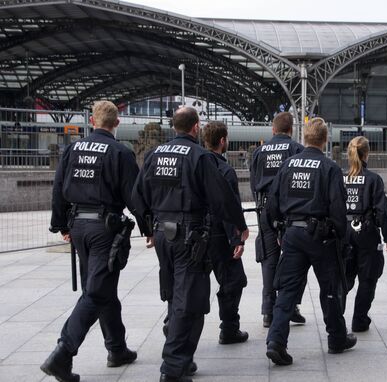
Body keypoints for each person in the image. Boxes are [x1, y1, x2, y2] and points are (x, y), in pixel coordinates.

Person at [132, 107, 249, 382]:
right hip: (190, 236)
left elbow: (138, 196)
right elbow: (222, 199)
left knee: (176, 295)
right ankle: (173, 367)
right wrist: (240, 227)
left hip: (163, 234)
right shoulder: (200, 157)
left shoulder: (154, 155)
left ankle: (181, 359)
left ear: (175, 127)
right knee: (191, 301)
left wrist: (148, 228)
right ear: (195, 127)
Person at [41, 101, 141, 382]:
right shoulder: (120, 152)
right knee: (96, 291)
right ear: (116, 123)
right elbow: (134, 196)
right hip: (104, 229)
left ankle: (117, 349)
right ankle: (63, 353)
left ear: (93, 121)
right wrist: (149, 228)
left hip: (78, 227)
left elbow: (59, 188)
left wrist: (59, 224)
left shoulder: (73, 149)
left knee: (101, 287)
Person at [265, 117, 356, 366]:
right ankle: (337, 338)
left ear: (304, 138)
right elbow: (338, 210)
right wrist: (343, 238)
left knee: (286, 291)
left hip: (292, 234)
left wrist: (279, 230)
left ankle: (276, 341)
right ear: (325, 140)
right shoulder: (329, 168)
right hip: (322, 238)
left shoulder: (288, 165)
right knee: (329, 290)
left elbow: (272, 204)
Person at [249, 111, 306, 328]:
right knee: (296, 261)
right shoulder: (296, 149)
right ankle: (291, 306)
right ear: (291, 130)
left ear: (273, 130)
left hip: (265, 210)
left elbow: (254, 183)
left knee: (269, 261)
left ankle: (268, 311)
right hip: (290, 212)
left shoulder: (259, 152)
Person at [202, 121, 248, 344]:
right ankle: (229, 328)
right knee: (233, 281)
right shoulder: (224, 170)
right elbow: (229, 207)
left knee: (190, 282)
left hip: (197, 233)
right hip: (220, 235)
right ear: (222, 141)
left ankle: (172, 323)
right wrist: (237, 238)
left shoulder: (196, 164)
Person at [344, 136, 387, 332]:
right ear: (367, 154)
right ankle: (359, 319)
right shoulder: (374, 179)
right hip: (366, 232)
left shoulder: (340, 176)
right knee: (368, 277)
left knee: (344, 277)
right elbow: (382, 211)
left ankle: (336, 318)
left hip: (345, 231)